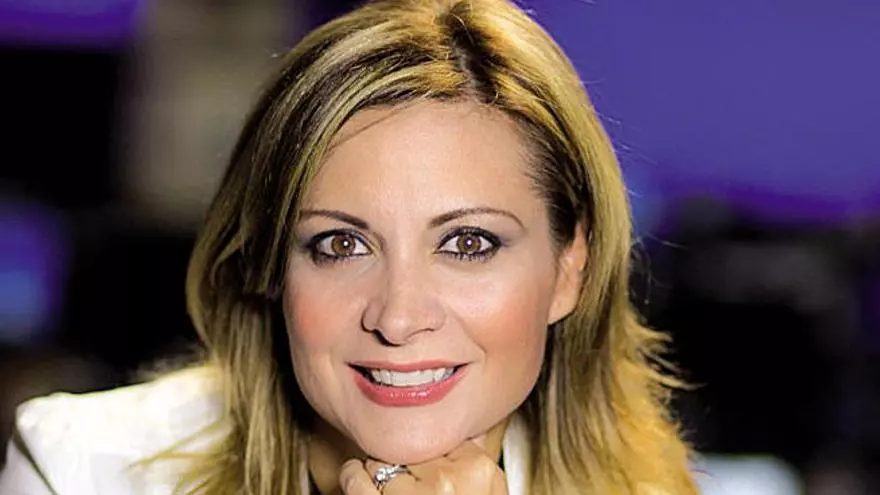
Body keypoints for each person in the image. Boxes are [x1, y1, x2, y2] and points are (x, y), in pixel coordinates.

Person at [0, 0, 699, 493]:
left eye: (467, 242)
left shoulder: (651, 487)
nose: (398, 317)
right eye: (341, 243)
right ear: (271, 263)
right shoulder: (82, 469)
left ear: (570, 267)